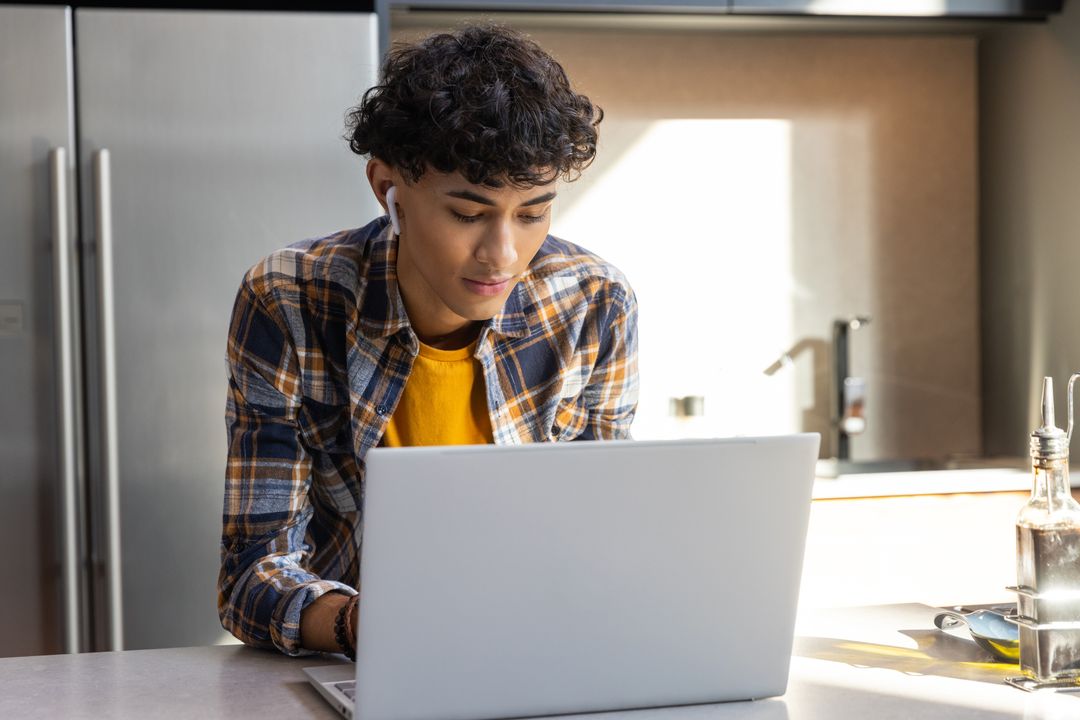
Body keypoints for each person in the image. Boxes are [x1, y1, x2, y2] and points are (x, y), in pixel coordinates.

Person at [218, 23, 639, 659]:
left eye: (532, 214)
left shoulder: (595, 303)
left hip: (539, 652)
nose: (503, 255)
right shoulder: (289, 299)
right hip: (360, 661)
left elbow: (598, 541)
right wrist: (370, 626)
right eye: (467, 214)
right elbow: (251, 574)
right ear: (389, 189)